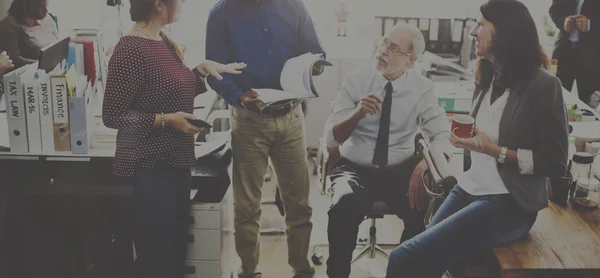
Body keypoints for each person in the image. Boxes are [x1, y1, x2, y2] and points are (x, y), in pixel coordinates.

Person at [385, 1, 569, 277]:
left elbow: (554, 162)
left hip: (509, 203)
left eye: (481, 24)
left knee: (403, 258)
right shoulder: (487, 77)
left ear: (505, 31)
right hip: (470, 188)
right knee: (427, 261)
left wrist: (496, 151)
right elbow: (483, 134)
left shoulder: (543, 85)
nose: (472, 32)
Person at [101, 0, 246, 277]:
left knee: (174, 254)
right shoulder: (130, 48)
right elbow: (113, 115)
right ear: (158, 4)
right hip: (148, 169)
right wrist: (166, 120)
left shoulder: (162, 40)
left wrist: (202, 70)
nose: (182, 4)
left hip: (175, 165)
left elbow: (173, 92)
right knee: (157, 259)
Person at [205, 0, 325, 277]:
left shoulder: (293, 6)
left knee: (299, 204)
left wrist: (311, 69)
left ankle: (302, 268)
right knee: (247, 207)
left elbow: (314, 51)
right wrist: (238, 96)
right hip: (249, 119)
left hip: (291, 117)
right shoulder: (222, 13)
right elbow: (215, 72)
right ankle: (249, 270)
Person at [323, 23, 451, 278]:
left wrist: (423, 166)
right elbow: (332, 137)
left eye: (393, 48)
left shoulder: (421, 88)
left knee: (421, 213)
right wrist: (357, 113)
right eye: (384, 42)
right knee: (342, 207)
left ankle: (403, 270)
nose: (382, 51)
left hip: (400, 168)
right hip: (354, 167)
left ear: (410, 60)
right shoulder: (357, 79)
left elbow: (442, 134)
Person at [550, 0, 600, 105]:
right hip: (563, 53)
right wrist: (563, 21)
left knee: (591, 104)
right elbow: (554, 9)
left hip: (592, 57)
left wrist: (590, 24)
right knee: (556, 98)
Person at [0, 0, 59, 69]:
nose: (46, 11)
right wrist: (42, 64)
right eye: (40, 7)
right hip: (27, 71)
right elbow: (13, 60)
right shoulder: (9, 25)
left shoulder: (47, 18)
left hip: (51, 65)